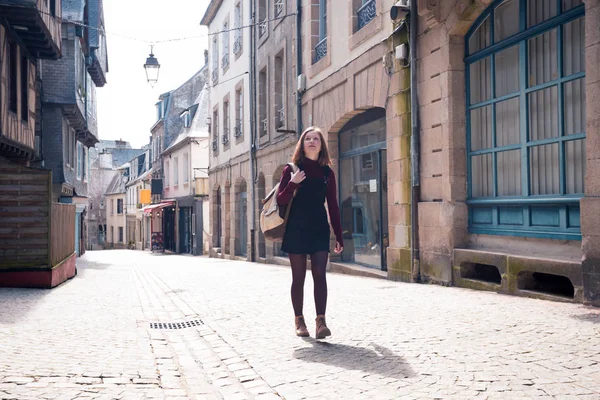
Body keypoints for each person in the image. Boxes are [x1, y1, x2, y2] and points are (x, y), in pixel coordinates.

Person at [276, 126, 344, 339]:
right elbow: (280, 200)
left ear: (322, 145)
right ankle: (299, 320)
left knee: (320, 275)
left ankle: (321, 321)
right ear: (302, 144)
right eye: (308, 139)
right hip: (296, 228)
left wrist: (339, 235)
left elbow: (332, 205)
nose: (312, 142)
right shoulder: (293, 169)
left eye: (316, 139)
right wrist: (292, 184)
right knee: (298, 277)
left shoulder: (327, 173)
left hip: (318, 228)